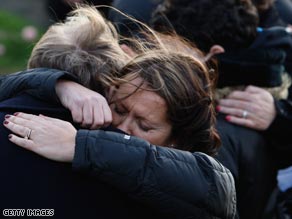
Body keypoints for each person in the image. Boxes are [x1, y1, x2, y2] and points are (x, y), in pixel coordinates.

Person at [0, 5, 236, 218]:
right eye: (119, 110)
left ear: (178, 140)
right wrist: (57, 84)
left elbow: (216, 190)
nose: (120, 128)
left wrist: (81, 145)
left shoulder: (172, 191)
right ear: (108, 90)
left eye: (145, 126)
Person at [150, 0, 292, 218]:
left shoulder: (215, 129)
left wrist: (281, 118)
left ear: (212, 55)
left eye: (174, 51)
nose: (159, 59)